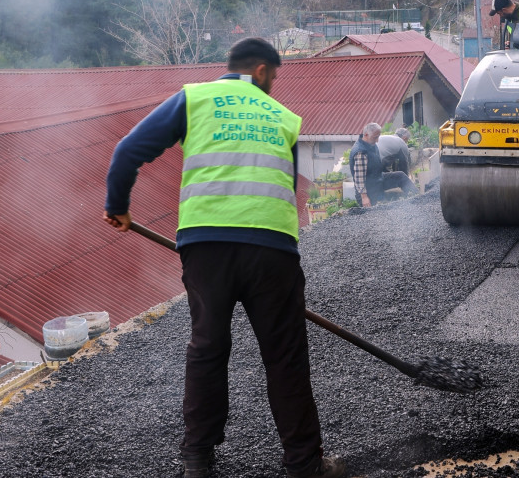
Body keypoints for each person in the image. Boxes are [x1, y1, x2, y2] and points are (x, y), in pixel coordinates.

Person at [102, 37, 346, 478]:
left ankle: (197, 458)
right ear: (260, 72)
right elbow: (286, 189)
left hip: (205, 245)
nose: (274, 84)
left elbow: (126, 153)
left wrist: (117, 205)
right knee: (285, 356)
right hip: (272, 248)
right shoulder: (284, 118)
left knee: (208, 348)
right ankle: (305, 465)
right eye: (274, 75)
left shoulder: (194, 98)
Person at [350, 122, 418, 207]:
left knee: (400, 176)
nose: (377, 140)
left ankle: (418, 198)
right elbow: (359, 178)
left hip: (378, 180)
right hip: (369, 190)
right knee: (377, 214)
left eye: (378, 137)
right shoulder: (361, 152)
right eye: (375, 137)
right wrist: (364, 198)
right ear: (366, 135)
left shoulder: (371, 144)